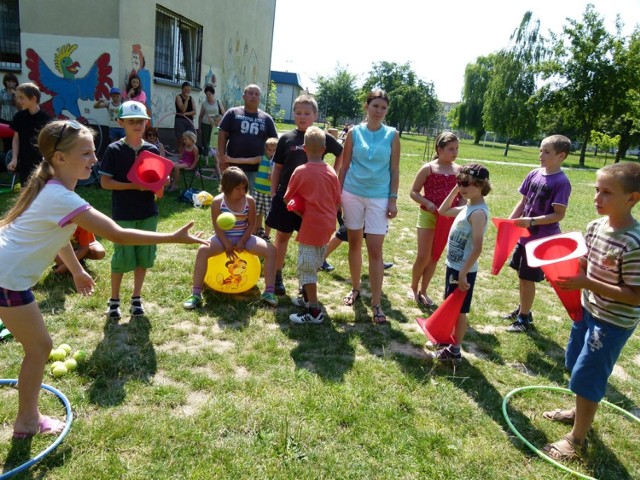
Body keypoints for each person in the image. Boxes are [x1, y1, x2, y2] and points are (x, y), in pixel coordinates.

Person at [0, 119, 205, 439]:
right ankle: (27, 421)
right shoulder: (61, 197)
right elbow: (118, 234)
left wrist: (79, 269)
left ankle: (27, 417)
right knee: (39, 348)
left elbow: (58, 233)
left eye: (94, 152)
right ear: (60, 158)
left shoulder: (53, 188)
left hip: (5, 273)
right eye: (86, 154)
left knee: (38, 346)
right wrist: (172, 237)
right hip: (7, 279)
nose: (94, 160)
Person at [541, 162, 640, 460]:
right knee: (574, 363)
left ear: (632, 198)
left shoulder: (633, 242)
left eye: (607, 192)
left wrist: (586, 281)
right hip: (587, 311)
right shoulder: (595, 227)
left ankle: (577, 440)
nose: (597, 197)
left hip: (612, 321)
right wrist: (564, 272)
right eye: (597, 190)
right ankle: (579, 411)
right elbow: (584, 262)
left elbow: (635, 296)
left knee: (588, 374)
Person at [266, 94, 343, 296]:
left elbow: (341, 152)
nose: (302, 116)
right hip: (286, 197)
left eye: (307, 113)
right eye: (298, 112)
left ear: (315, 115)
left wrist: (333, 173)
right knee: (282, 236)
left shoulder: (321, 137)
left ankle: (305, 284)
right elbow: (278, 168)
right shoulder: (286, 138)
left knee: (308, 244)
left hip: (312, 202)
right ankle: (277, 275)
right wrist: (274, 191)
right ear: (294, 114)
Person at [98, 100, 165, 320]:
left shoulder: (152, 149)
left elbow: (157, 185)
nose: (137, 125)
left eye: (141, 121)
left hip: (147, 212)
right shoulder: (114, 149)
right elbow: (105, 183)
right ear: (121, 123)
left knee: (144, 256)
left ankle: (136, 299)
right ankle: (114, 300)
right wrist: (133, 186)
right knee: (121, 257)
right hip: (123, 213)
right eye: (132, 121)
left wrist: (158, 187)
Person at [339, 89, 400, 324]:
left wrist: (392, 198)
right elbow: (344, 167)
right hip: (352, 194)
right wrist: (338, 194)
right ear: (367, 106)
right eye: (375, 106)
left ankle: (376, 303)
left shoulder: (392, 135)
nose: (379, 111)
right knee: (354, 244)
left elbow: (394, 170)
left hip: (379, 198)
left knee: (375, 250)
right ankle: (355, 289)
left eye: (383, 108)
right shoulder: (354, 133)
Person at [182, 166, 278, 309]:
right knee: (203, 250)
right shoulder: (217, 201)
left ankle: (269, 291)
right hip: (222, 238)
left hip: (244, 237)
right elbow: (217, 227)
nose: (242, 191)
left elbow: (251, 224)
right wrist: (227, 244)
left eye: (244, 187)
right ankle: (196, 293)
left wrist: (242, 241)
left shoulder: (249, 200)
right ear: (227, 187)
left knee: (271, 251)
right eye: (238, 188)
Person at [504, 134, 572, 332]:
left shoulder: (561, 182)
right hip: (524, 236)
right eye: (540, 150)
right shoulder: (534, 173)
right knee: (521, 274)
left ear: (561, 156)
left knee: (527, 278)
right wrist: (510, 221)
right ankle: (523, 309)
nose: (541, 154)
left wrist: (532, 221)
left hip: (540, 240)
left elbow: (558, 215)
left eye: (547, 152)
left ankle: (524, 319)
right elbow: (523, 201)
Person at [431, 164, 491, 361]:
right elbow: (443, 210)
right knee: (450, 306)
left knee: (459, 311)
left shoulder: (478, 213)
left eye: (466, 183)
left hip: (463, 270)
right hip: (454, 266)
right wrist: (455, 190)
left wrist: (464, 273)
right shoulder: (468, 207)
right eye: (459, 182)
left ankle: (455, 350)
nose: (462, 187)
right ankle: (447, 339)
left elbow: (477, 247)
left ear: (481, 185)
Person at [284, 127, 341, 324]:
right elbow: (337, 201)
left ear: (304, 148)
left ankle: (314, 312)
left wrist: (303, 212)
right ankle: (306, 298)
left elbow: (288, 199)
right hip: (327, 225)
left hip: (311, 225)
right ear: (325, 148)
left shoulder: (300, 171)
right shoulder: (331, 172)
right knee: (314, 262)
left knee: (306, 267)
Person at [409, 132, 462, 309]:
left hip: (447, 219)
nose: (455, 152)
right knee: (423, 255)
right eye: (450, 149)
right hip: (427, 216)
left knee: (434, 256)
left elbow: (463, 195)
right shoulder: (428, 168)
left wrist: (458, 210)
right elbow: (414, 192)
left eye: (456, 149)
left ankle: (424, 290)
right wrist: (427, 203)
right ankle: (413, 287)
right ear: (439, 150)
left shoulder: (459, 171)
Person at [218, 84, 277, 194]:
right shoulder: (232, 113)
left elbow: (275, 144)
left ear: (260, 98)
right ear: (243, 96)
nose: (253, 96)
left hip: (258, 169)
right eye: (250, 93)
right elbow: (222, 135)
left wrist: (272, 167)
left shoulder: (267, 118)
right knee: (232, 195)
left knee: (255, 200)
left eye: (257, 94)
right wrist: (222, 159)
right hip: (234, 166)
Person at [8, 83, 51, 186]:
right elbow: (16, 139)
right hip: (24, 161)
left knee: (40, 190)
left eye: (21, 98)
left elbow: (49, 143)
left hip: (40, 162)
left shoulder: (46, 119)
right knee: (25, 189)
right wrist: (14, 158)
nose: (18, 101)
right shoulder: (19, 117)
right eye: (17, 97)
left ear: (33, 98)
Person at [253, 137, 277, 240]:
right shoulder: (262, 158)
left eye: (274, 150)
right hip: (257, 191)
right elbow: (250, 160)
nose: (271, 152)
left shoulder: (277, 163)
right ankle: (254, 232)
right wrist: (231, 159)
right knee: (255, 213)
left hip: (269, 193)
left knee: (268, 215)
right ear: (265, 149)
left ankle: (266, 235)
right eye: (269, 150)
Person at [198, 84, 225, 151]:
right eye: (206, 94)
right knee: (205, 141)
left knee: (215, 140)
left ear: (213, 94)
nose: (208, 96)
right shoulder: (204, 103)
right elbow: (200, 116)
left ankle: (215, 156)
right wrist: (199, 127)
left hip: (216, 124)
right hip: (205, 124)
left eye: (209, 94)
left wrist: (222, 125)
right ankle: (206, 156)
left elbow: (224, 114)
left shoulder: (218, 102)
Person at [174, 81, 196, 154]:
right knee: (181, 139)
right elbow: (182, 109)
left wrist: (185, 114)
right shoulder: (178, 97)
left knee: (191, 138)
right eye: (185, 90)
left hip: (189, 121)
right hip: (180, 121)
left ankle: (189, 155)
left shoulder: (192, 98)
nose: (187, 92)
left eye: (189, 90)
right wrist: (186, 99)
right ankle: (180, 155)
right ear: (182, 89)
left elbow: (194, 111)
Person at [0, 72, 18, 153]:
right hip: (3, 118)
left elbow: (20, 105)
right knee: (5, 139)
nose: (11, 83)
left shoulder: (18, 93)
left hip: (14, 119)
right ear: (5, 82)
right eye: (9, 81)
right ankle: (6, 156)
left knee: (14, 138)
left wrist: (14, 95)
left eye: (13, 81)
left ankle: (15, 155)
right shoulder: (1, 92)